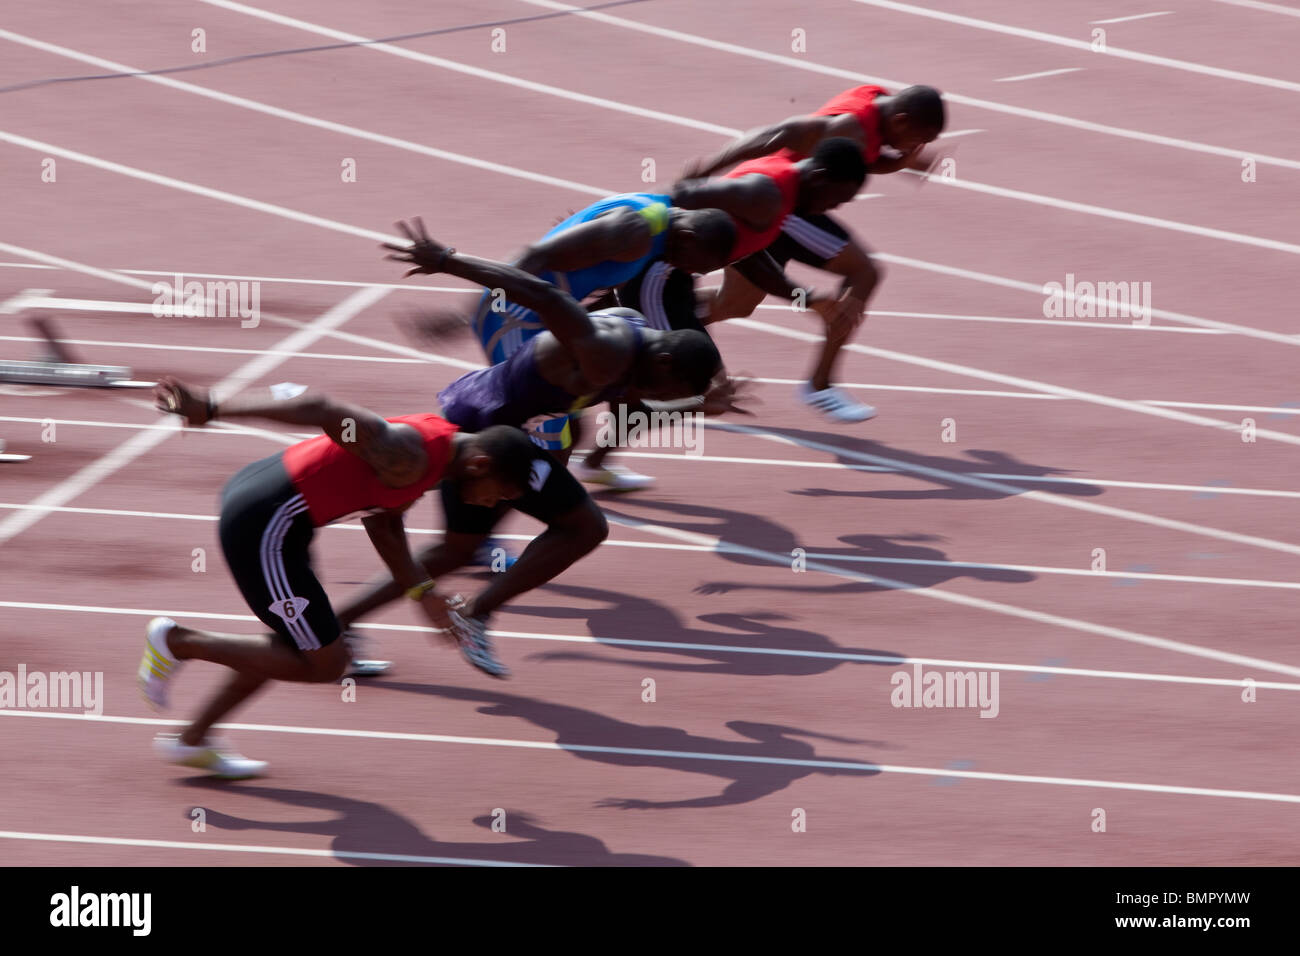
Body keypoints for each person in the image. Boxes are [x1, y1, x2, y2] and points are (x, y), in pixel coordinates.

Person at [139, 377, 539, 776]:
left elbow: (384, 523)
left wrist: (422, 591)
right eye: (499, 494)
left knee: (296, 644)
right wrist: (212, 406)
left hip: (280, 518)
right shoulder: (409, 454)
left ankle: (192, 739)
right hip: (264, 524)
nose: (493, 504)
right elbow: (321, 408)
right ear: (480, 464)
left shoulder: (437, 455)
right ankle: (178, 643)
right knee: (325, 663)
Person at [409, 195, 736, 491]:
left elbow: (590, 274)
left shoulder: (658, 216)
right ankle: (433, 482)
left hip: (541, 318)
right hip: (514, 317)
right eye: (695, 266)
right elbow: (536, 256)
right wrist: (467, 310)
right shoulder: (636, 233)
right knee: (532, 442)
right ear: (690, 239)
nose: (686, 272)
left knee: (565, 436)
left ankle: (444, 473)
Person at [679, 85, 947, 422]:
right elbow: (778, 134)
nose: (916, 148)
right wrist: (708, 168)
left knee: (735, 304)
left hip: (784, 197)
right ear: (902, 119)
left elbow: (858, 157)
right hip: (778, 203)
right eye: (916, 139)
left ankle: (656, 315)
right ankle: (821, 386)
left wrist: (894, 163)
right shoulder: (850, 126)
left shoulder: (877, 100)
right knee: (864, 272)